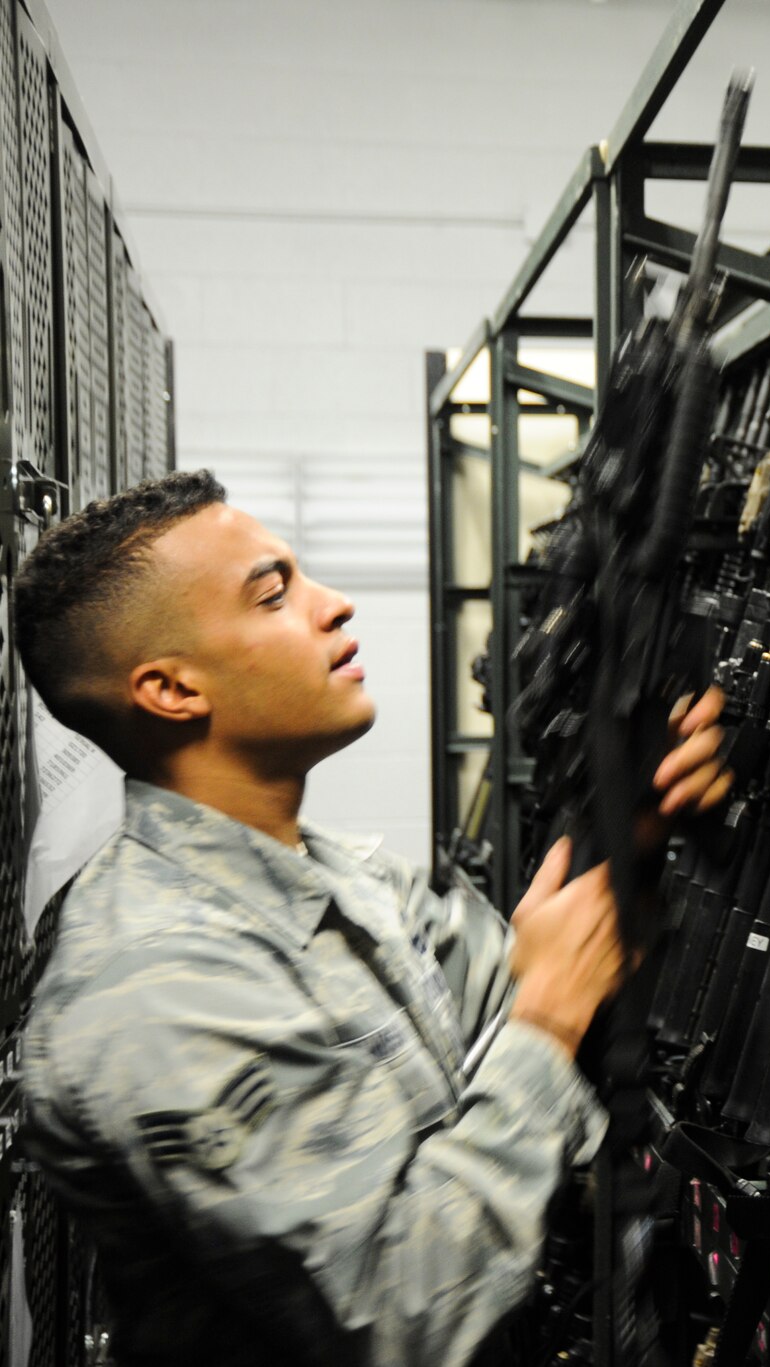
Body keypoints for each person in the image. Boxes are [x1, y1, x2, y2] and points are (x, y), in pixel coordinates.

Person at [9, 469, 732, 1366]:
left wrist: (630, 828)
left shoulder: (349, 877)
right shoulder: (151, 985)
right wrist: (546, 1016)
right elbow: (396, 1318)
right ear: (171, 690)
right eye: (274, 594)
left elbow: (518, 1033)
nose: (336, 605)